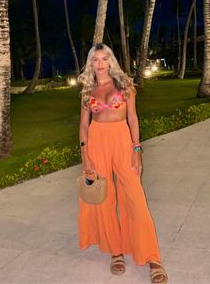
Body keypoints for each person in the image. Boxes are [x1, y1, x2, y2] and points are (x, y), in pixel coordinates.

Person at [77, 43, 168, 284]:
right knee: (105, 199)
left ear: (111, 61)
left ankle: (152, 257)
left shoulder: (125, 86)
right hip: (96, 143)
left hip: (122, 141)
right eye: (95, 59)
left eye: (104, 58)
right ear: (90, 63)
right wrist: (85, 156)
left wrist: (137, 149)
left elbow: (133, 118)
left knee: (135, 198)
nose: (99, 64)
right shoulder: (88, 90)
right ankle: (116, 252)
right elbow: (84, 125)